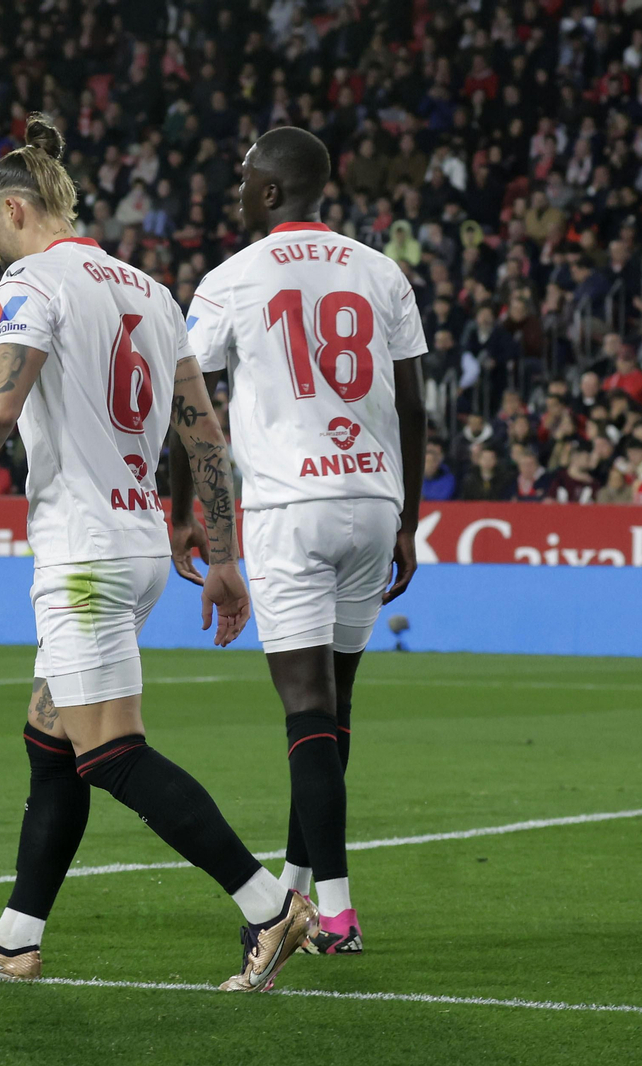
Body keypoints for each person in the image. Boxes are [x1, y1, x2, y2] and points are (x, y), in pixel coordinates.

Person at [0, 115, 311, 992]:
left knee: (110, 753)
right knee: (51, 738)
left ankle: (271, 908)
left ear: (13, 209)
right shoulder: (152, 291)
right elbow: (205, 437)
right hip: (141, 539)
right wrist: (222, 553)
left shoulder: (29, 282)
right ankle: (14, 942)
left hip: (82, 551)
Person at [175, 126, 427, 956]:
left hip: (290, 504)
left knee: (305, 710)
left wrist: (188, 508)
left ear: (273, 192)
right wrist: (408, 519)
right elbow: (414, 400)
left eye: (245, 176)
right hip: (372, 497)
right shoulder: (381, 270)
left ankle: (338, 914)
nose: (237, 187)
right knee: (334, 705)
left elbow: (190, 397)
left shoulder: (232, 279)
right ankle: (293, 883)